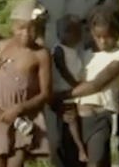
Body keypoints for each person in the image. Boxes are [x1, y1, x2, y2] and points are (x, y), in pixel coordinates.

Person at [35, 0, 119, 167]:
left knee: (94, 152)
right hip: (56, 81)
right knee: (59, 147)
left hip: (92, 80)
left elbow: (112, 32)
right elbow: (38, 33)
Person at [55, 6, 119, 167]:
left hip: (101, 115)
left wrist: (61, 96)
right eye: (98, 36)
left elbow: (96, 85)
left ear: (118, 33)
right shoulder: (84, 54)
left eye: (109, 36)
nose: (103, 41)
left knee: (96, 161)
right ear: (91, 32)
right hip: (77, 118)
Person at [0, 0, 52, 167]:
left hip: (22, 119)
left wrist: (19, 109)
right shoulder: (2, 46)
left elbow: (45, 93)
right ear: (12, 26)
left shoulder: (41, 55)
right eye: (21, 28)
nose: (26, 34)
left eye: (33, 29)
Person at [51, 15, 88, 162]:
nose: (72, 35)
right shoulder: (59, 50)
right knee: (71, 122)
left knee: (75, 122)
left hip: (75, 94)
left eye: (75, 31)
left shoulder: (77, 52)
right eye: (67, 31)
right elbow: (63, 70)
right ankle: (81, 150)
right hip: (64, 93)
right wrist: (75, 85)